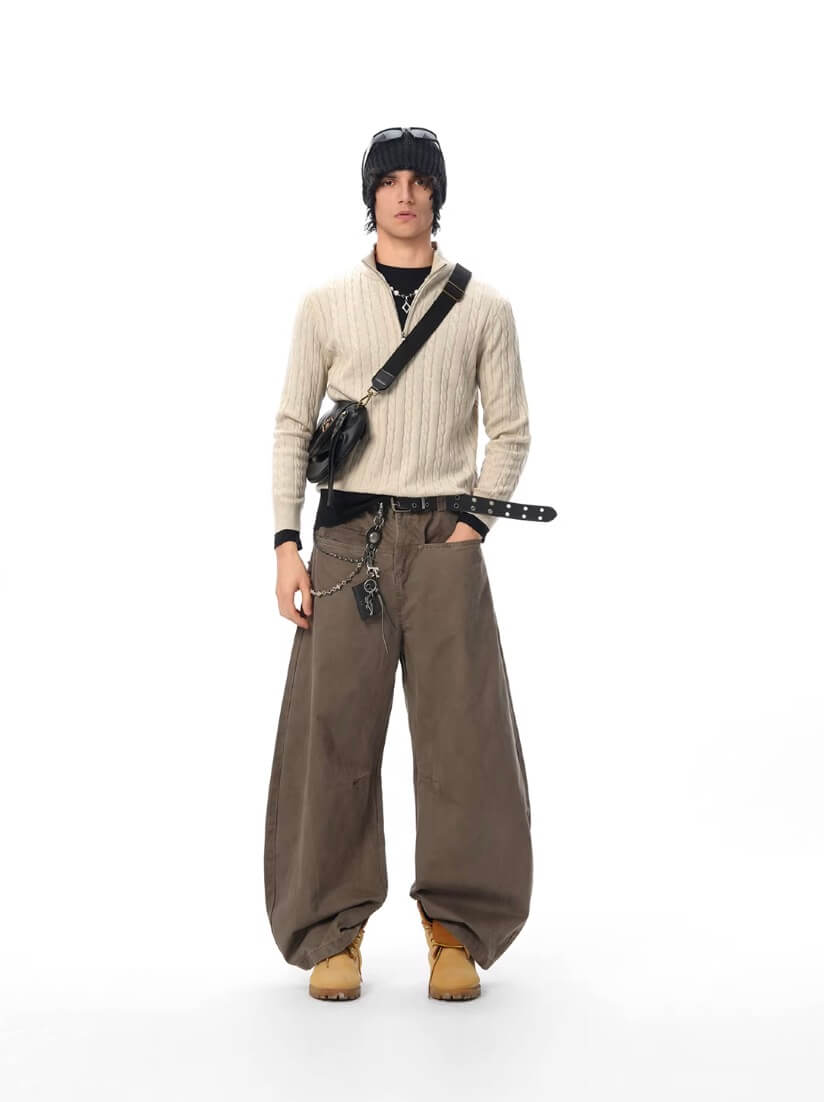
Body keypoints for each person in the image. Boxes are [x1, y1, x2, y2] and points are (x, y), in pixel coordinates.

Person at [263, 127, 534, 1001]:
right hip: (345, 544)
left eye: (420, 181)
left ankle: (456, 930)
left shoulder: (484, 307)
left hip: (445, 543)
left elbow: (511, 430)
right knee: (334, 737)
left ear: (437, 196)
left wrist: (472, 526)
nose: (406, 195)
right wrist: (285, 543)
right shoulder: (325, 305)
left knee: (462, 741)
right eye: (390, 181)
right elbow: (292, 426)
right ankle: (332, 931)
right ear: (371, 196)